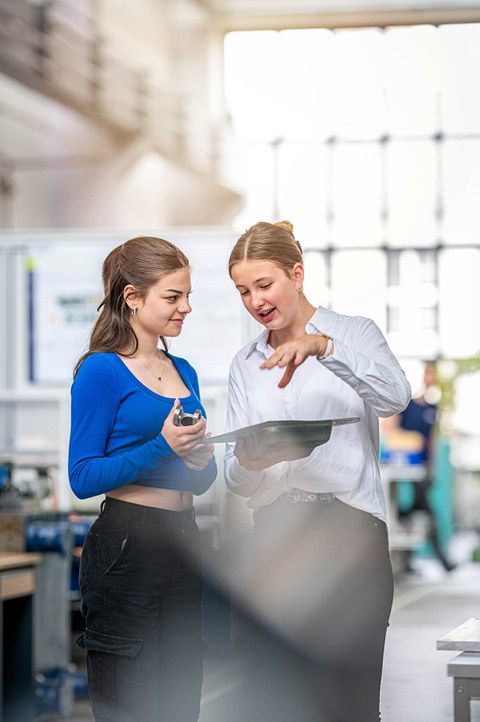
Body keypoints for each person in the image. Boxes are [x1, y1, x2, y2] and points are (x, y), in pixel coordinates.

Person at [223, 221, 411, 722]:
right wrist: (248, 461)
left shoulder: (354, 333)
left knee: (349, 701)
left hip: (349, 535)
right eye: (244, 291)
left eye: (264, 285)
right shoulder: (245, 363)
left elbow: (395, 396)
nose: (255, 301)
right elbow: (235, 480)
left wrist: (324, 347)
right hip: (273, 538)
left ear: (297, 273)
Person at [68, 236, 216, 722]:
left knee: (180, 695)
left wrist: (200, 463)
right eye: (173, 297)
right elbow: (83, 476)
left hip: (183, 539)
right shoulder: (101, 371)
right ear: (132, 297)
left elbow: (199, 478)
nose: (186, 308)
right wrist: (162, 448)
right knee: (129, 702)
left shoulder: (184, 370)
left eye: (187, 296)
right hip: (127, 544)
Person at [387, 361, 455, 572]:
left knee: (416, 510)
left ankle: (410, 560)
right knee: (422, 511)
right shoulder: (407, 405)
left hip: (422, 467)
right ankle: (441, 560)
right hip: (404, 464)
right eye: (427, 374)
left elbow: (432, 439)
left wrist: (432, 467)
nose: (430, 379)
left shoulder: (432, 408)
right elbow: (391, 427)